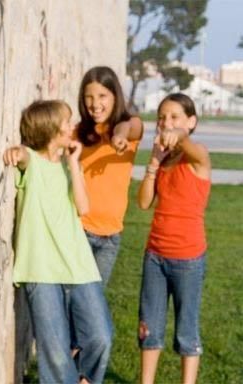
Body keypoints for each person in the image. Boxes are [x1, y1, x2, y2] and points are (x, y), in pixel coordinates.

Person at [3, 100, 113, 384]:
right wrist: (17, 151)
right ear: (49, 128)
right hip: (41, 269)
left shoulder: (67, 167)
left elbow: (83, 206)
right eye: (66, 122)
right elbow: (24, 156)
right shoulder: (32, 162)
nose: (71, 127)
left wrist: (73, 163)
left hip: (79, 265)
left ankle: (85, 378)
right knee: (54, 353)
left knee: (100, 336)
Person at [137, 93, 210, 384]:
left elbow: (189, 145)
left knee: (186, 328)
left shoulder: (198, 157)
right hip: (155, 256)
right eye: (161, 117)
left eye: (175, 116)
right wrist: (153, 163)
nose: (166, 123)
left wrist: (179, 134)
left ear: (191, 122)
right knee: (149, 327)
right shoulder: (163, 160)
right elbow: (143, 203)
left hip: (188, 258)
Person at [76, 66, 144, 286]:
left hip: (111, 236)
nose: (95, 104)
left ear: (115, 96)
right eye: (89, 97)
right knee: (77, 300)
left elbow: (130, 124)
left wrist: (119, 135)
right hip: (80, 231)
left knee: (93, 300)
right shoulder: (80, 132)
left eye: (102, 96)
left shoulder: (129, 130)